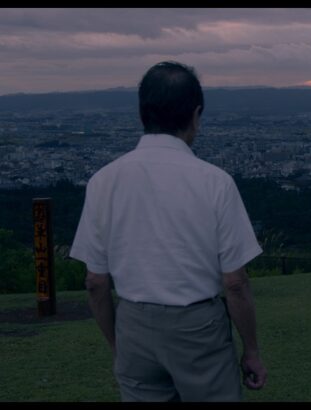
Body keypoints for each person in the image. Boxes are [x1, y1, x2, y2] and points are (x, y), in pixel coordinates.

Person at [70, 61, 267, 401]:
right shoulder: (215, 182)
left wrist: (119, 345)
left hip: (133, 323)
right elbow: (235, 282)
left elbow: (95, 282)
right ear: (196, 114)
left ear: (142, 113)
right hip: (198, 326)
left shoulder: (103, 181)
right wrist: (251, 350)